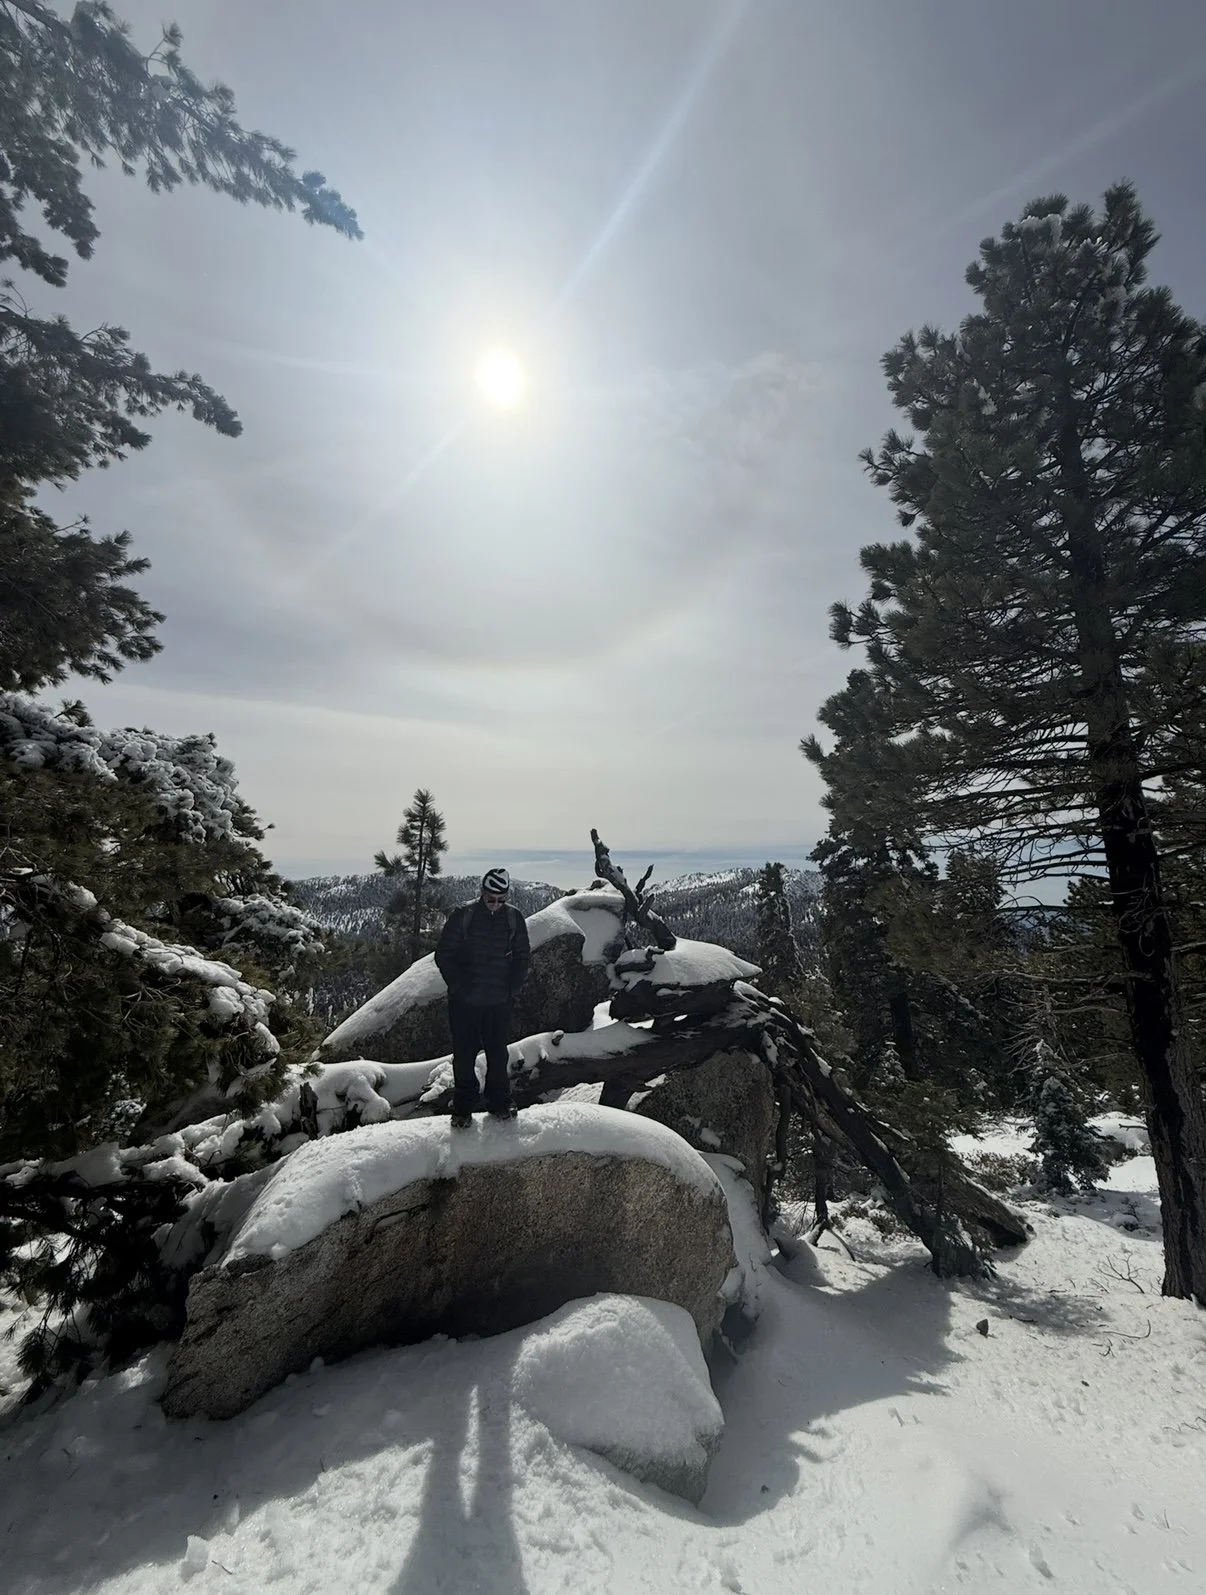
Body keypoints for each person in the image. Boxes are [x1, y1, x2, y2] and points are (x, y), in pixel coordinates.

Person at [434, 867, 531, 1127]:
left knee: (498, 1055)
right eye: (491, 899)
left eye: (501, 899)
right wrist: (458, 986)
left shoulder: (513, 918)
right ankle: (463, 1108)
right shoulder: (463, 916)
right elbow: (444, 954)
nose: (496, 904)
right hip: (464, 1003)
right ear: (482, 893)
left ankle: (499, 1103)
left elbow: (523, 956)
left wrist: (511, 988)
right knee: (464, 1056)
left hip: (498, 1002)